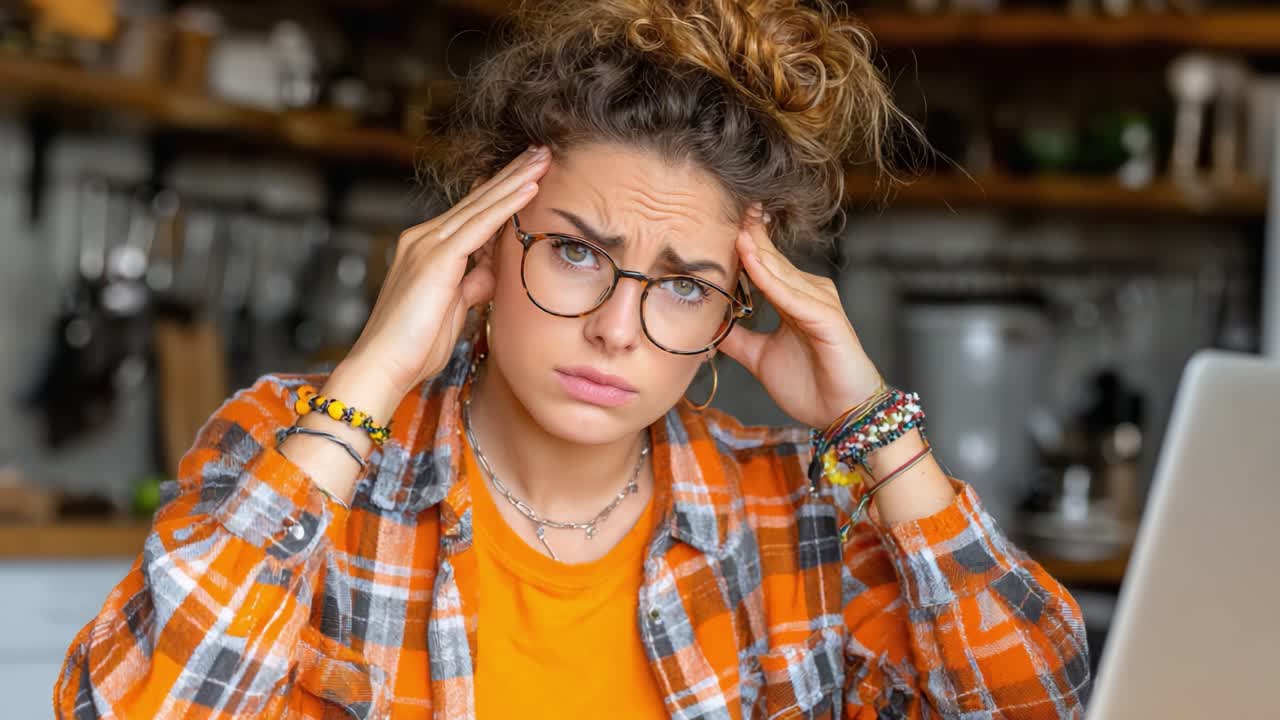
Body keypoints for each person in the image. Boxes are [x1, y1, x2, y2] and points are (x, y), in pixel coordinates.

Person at [55, 1, 1089, 717]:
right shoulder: (294, 448)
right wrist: (370, 377)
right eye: (576, 253)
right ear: (480, 244)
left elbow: (1035, 702)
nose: (616, 328)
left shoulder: (796, 516)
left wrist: (876, 427)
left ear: (734, 308)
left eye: (683, 285)